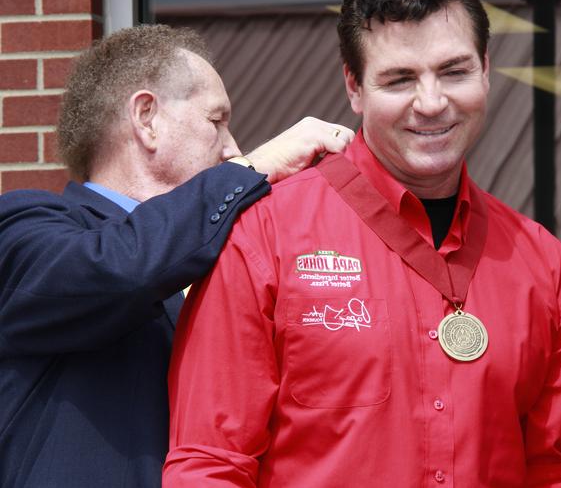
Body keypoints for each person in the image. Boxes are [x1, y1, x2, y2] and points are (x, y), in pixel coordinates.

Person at [163, 0, 561, 487]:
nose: (432, 101)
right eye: (399, 80)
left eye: (454, 71)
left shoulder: (547, 270)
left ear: (485, 70)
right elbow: (210, 464)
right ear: (354, 87)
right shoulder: (261, 239)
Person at [0, 24, 354, 488]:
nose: (233, 148)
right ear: (146, 117)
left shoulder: (229, 256)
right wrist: (258, 168)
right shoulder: (23, 228)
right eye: (216, 120)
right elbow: (118, 268)